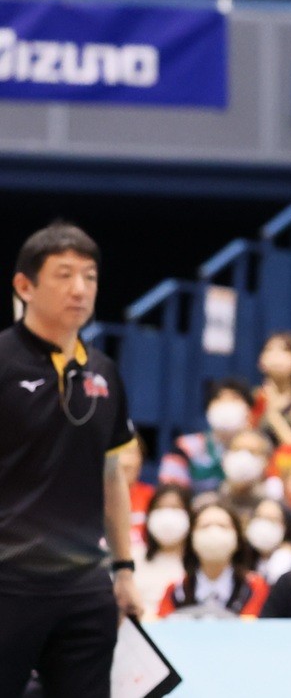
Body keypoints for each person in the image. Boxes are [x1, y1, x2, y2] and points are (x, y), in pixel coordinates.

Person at [0, 224, 141, 698]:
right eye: (64, 275)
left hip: (84, 587)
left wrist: (124, 570)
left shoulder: (104, 373)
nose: (80, 289)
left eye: (90, 276)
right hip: (7, 582)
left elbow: (112, 476)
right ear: (25, 286)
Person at [156, 504, 268, 618]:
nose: (214, 532)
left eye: (223, 526)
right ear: (191, 538)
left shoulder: (254, 588)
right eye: (205, 526)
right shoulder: (176, 591)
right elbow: (161, 622)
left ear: (238, 538)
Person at [160, 377, 253, 493]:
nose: (226, 405)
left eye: (234, 398)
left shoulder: (260, 450)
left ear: (249, 410)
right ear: (209, 408)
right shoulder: (185, 447)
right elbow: (170, 492)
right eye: (219, 398)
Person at [245, 498, 291, 585]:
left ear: (286, 526)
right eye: (259, 517)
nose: (264, 525)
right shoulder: (242, 559)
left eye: (272, 519)